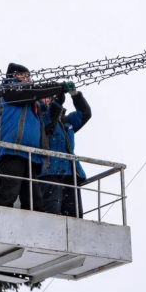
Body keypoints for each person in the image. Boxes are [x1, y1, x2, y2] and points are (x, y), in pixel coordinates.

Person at [0, 63, 73, 211]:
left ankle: (30, 231)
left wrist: (59, 97)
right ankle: (0, 226)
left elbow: (48, 116)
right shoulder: (7, 90)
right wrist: (56, 87)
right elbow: (31, 92)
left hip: (31, 156)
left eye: (29, 76)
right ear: (15, 75)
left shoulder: (32, 102)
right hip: (12, 151)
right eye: (25, 75)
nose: (29, 79)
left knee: (34, 202)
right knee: (7, 194)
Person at [37, 87, 92, 217]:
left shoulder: (65, 120)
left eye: (51, 97)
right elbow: (47, 123)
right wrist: (57, 103)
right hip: (49, 171)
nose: (49, 100)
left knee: (74, 215)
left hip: (70, 172)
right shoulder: (38, 117)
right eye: (46, 96)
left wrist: (75, 95)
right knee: (51, 213)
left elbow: (85, 114)